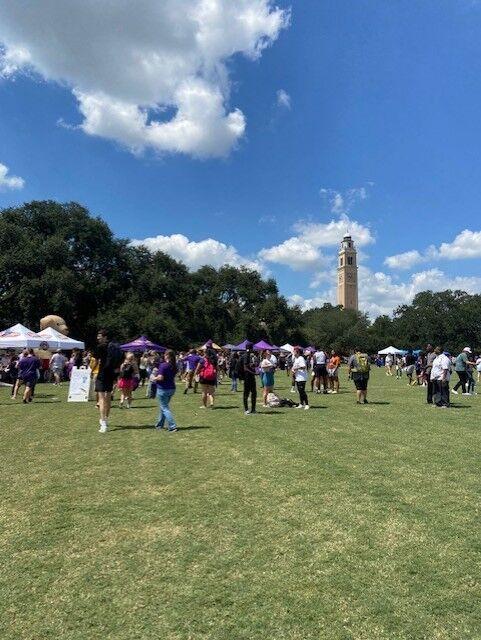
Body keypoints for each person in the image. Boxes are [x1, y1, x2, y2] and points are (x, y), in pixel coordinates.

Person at [92, 329, 123, 433]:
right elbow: (121, 358)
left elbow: (95, 361)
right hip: (111, 373)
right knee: (108, 397)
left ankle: (103, 423)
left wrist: (91, 370)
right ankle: (105, 419)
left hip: (102, 373)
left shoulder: (100, 347)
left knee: (101, 399)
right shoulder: (115, 346)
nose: (97, 338)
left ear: (105, 337)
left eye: (99, 336)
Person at [152, 349, 178, 432]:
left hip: (163, 389)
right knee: (163, 407)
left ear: (167, 355)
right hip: (171, 388)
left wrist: (153, 378)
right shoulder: (174, 366)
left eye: (164, 354)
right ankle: (159, 424)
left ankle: (172, 426)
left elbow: (160, 377)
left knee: (165, 408)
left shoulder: (163, 365)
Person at [237, 342, 259, 414]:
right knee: (247, 393)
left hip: (249, 377)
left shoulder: (247, 355)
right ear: (250, 348)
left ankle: (253, 409)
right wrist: (255, 373)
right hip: (247, 377)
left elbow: (247, 366)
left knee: (253, 393)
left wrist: (253, 366)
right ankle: (247, 410)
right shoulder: (246, 355)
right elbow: (245, 368)